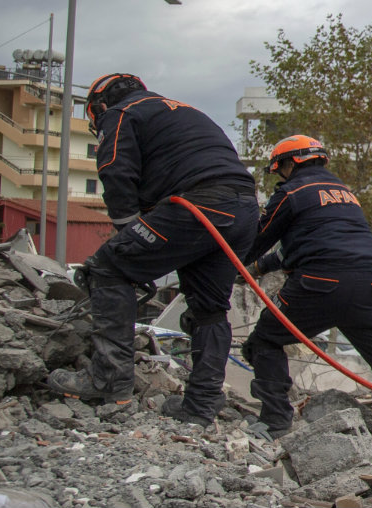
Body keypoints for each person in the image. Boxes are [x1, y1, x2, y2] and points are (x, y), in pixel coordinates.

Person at [46, 73, 259, 427]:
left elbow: (116, 170)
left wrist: (127, 238)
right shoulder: (185, 113)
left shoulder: (122, 113)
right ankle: (201, 406)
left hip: (198, 205)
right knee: (208, 310)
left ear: (100, 105)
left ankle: (109, 380)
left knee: (108, 267)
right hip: (242, 210)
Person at [240, 135, 372, 462]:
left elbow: (256, 240)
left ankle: (276, 421)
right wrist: (262, 267)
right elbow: (312, 242)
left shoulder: (291, 192)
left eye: (281, 170)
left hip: (318, 286)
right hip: (371, 287)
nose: (281, 176)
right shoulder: (346, 195)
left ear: (291, 163)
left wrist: (232, 261)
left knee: (264, 342)